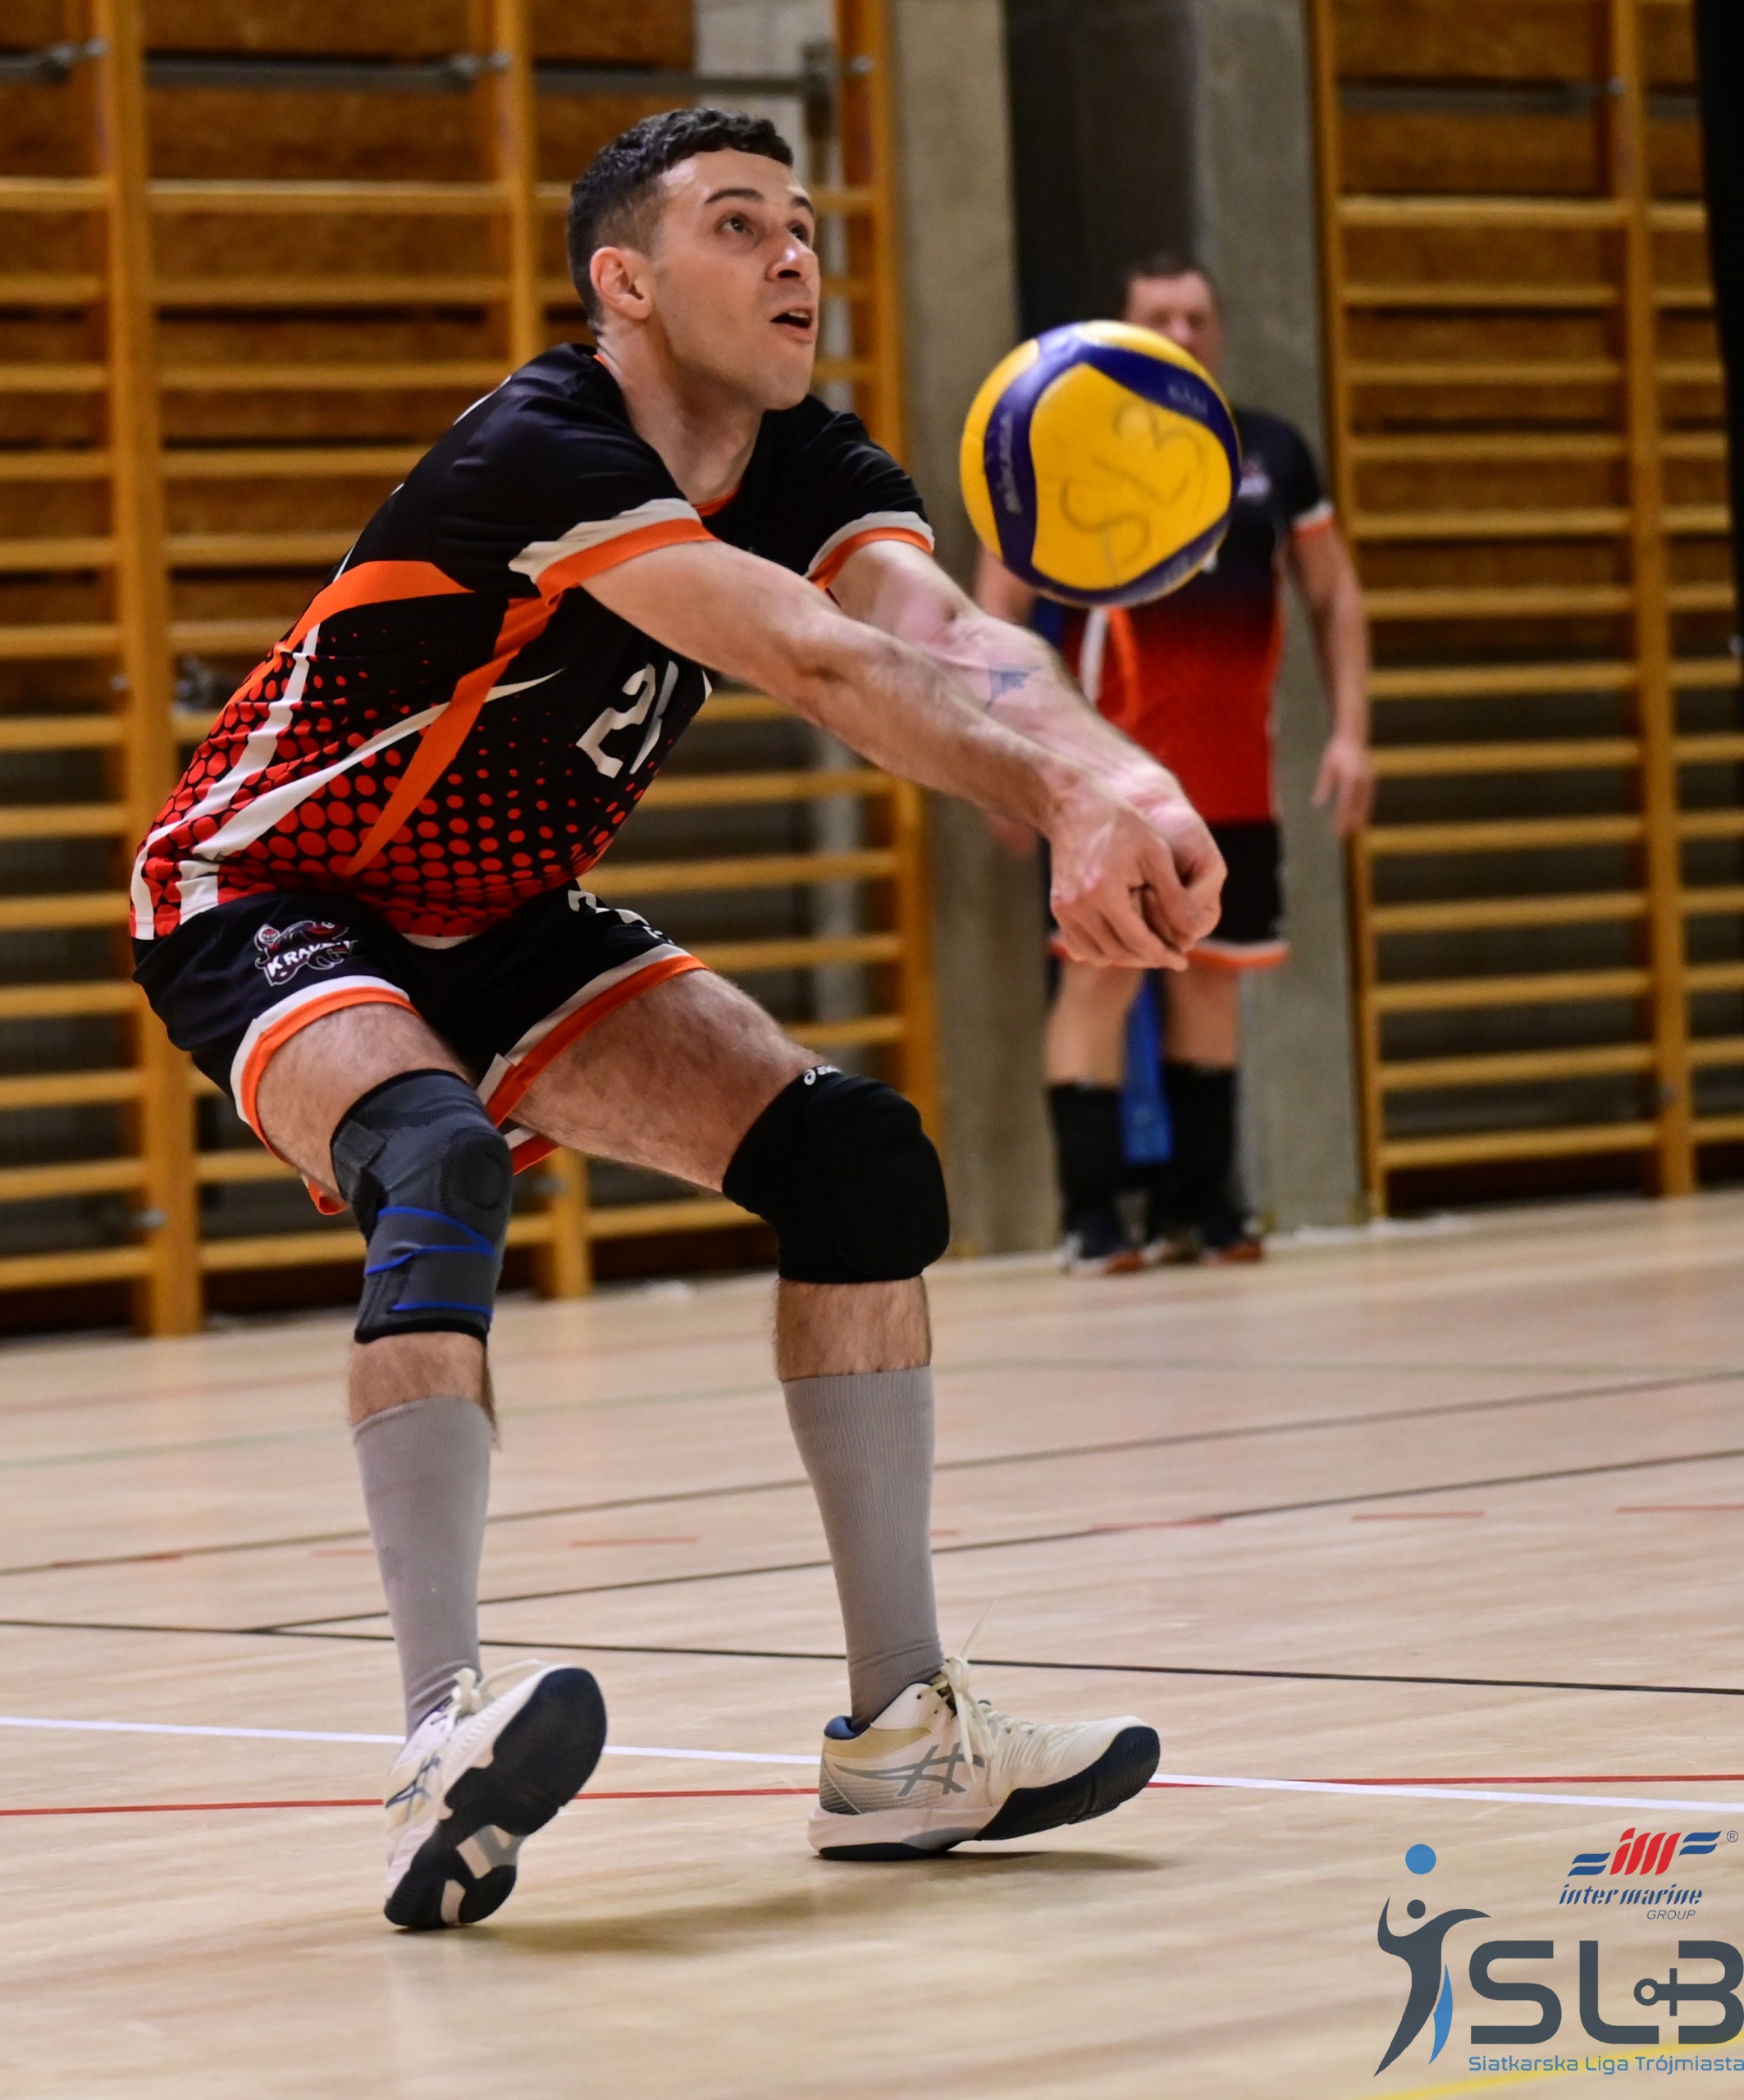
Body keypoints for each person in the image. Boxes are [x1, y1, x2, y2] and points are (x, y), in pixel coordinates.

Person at [130, 112, 1225, 1933]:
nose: (795, 256)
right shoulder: (544, 447)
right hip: (267, 886)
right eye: (738, 225)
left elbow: (948, 636)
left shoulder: (807, 460)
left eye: (804, 225)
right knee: (438, 1160)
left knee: (856, 1166)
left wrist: (1122, 778)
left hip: (501, 918)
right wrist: (1060, 802)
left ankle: (904, 1738)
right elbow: (820, 660)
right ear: (622, 282)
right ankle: (439, 1741)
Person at [976, 257, 1372, 1273]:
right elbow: (995, 609)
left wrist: (1350, 730)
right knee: (1100, 981)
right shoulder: (1068, 439)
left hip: (1235, 773)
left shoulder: (1271, 450)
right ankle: (1092, 1218)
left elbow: (1334, 593)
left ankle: (1203, 1207)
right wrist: (996, 761)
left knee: (1212, 983)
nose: (1183, 333)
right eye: (1161, 317)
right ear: (1124, 331)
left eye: (1197, 317)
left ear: (1219, 331)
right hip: (1107, 774)